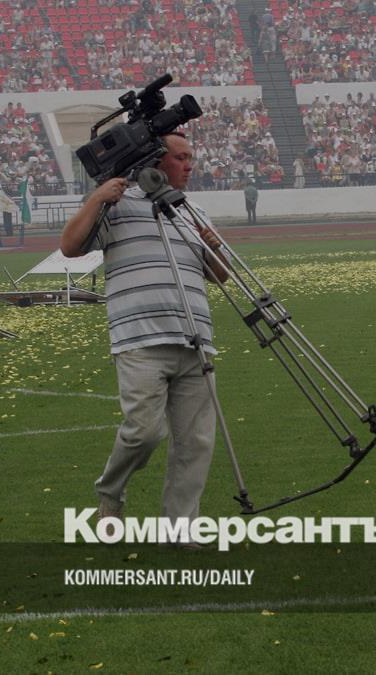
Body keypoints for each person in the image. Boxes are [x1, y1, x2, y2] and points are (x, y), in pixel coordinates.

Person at [60, 133, 229, 536]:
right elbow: (69, 246)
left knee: (196, 442)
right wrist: (98, 198)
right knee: (144, 432)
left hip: (194, 339)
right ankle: (110, 491)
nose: (189, 165)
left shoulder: (192, 210)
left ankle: (180, 529)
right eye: (181, 157)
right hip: (139, 339)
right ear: (157, 160)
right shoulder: (118, 204)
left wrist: (213, 246)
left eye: (191, 157)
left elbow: (220, 275)